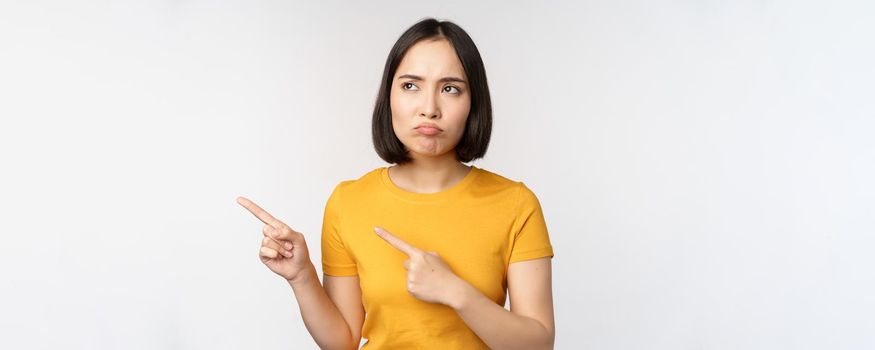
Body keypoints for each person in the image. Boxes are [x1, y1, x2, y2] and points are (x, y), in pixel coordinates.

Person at [237, 17, 555, 350]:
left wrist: (455, 292)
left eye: (450, 89)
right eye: (410, 86)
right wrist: (302, 278)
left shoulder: (515, 203)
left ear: (473, 102)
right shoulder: (349, 202)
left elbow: (538, 345)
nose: (429, 109)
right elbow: (342, 341)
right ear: (388, 96)